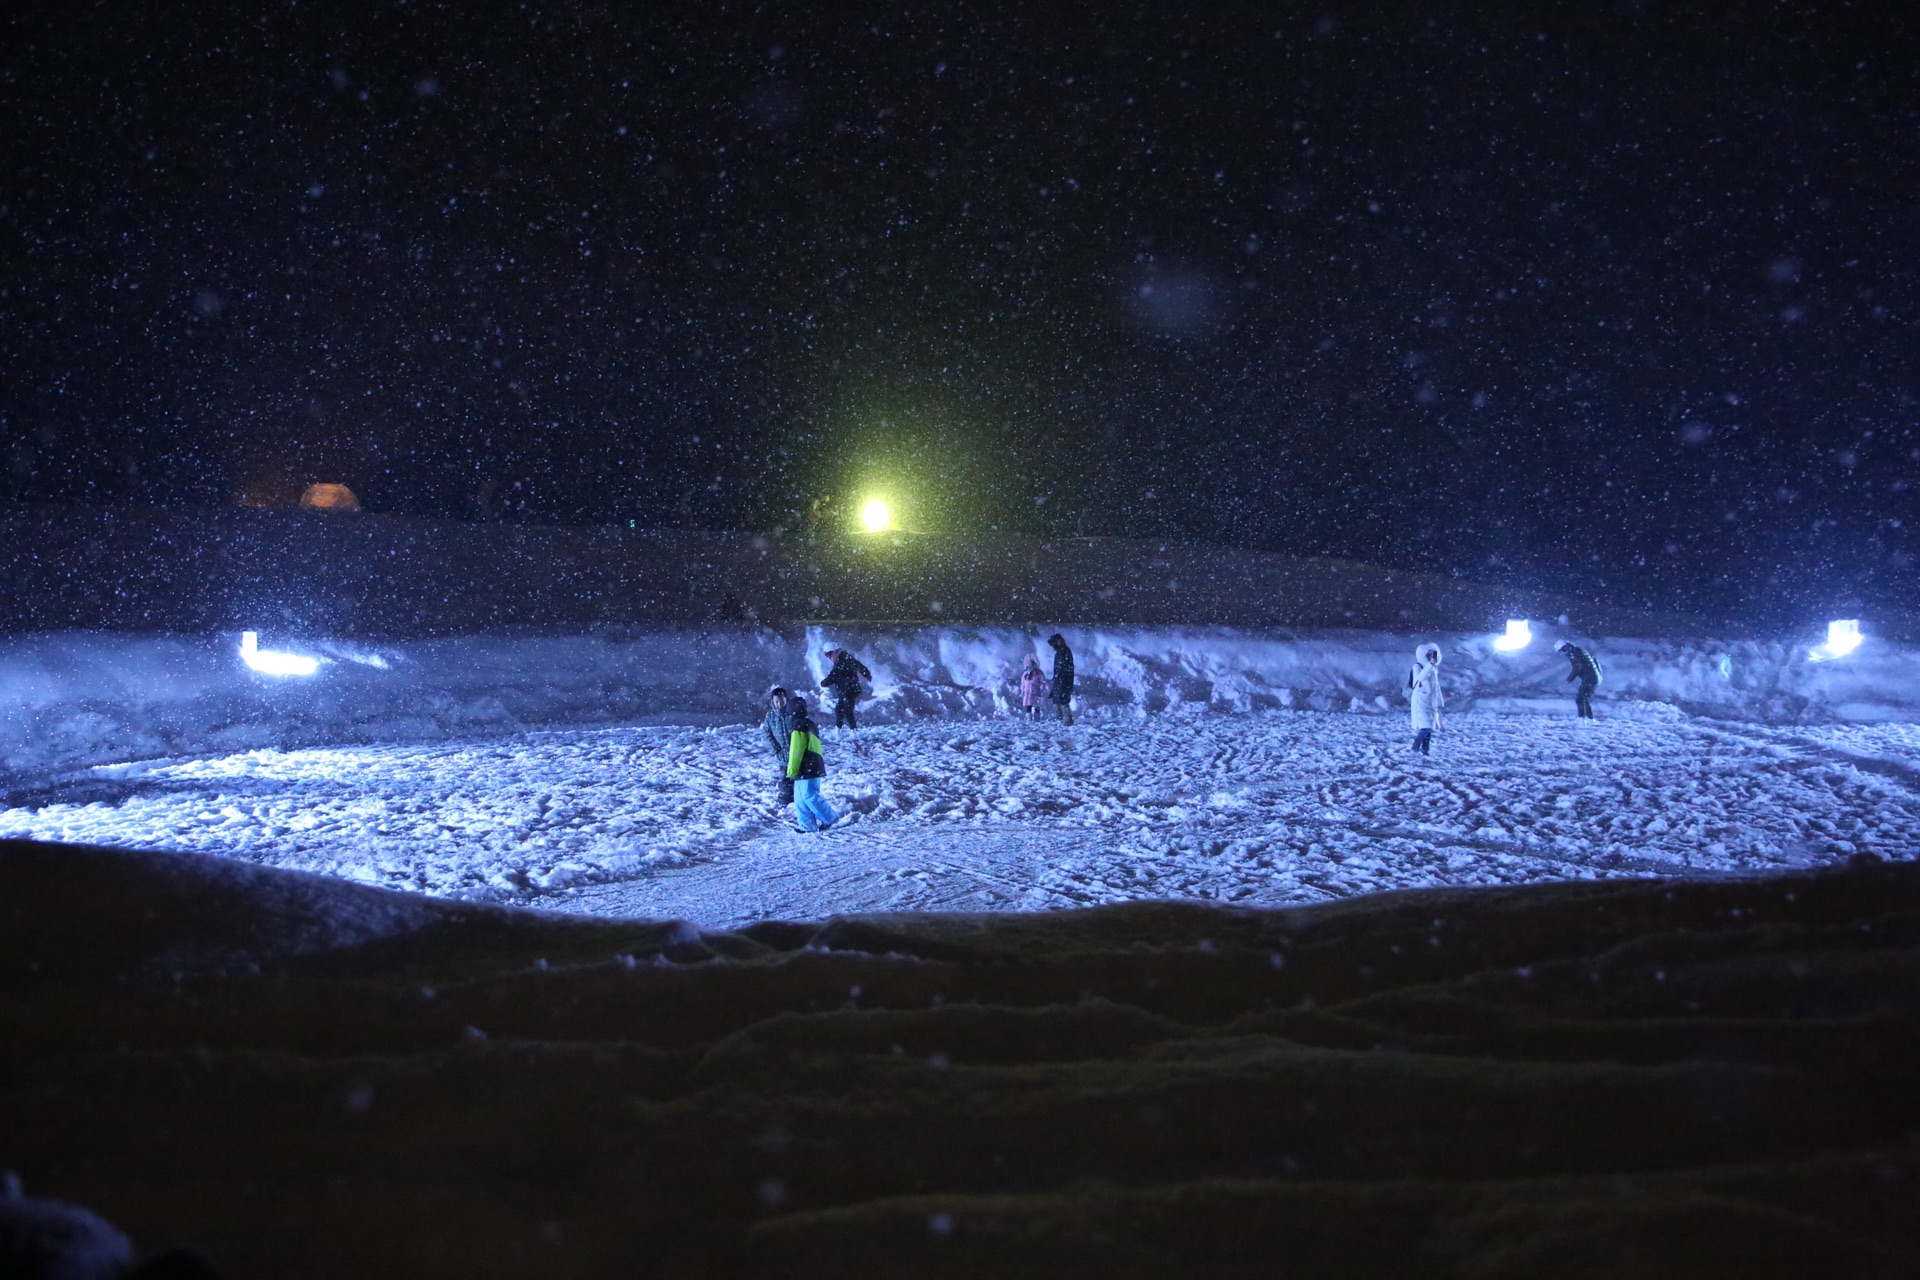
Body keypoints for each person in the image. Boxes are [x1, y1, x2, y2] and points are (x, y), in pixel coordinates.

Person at [785, 693, 839, 833]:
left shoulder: (798, 726)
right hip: (812, 766)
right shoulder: (808, 723)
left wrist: (791, 770)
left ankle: (829, 817)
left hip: (807, 767)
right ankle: (807, 826)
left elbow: (796, 751)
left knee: (808, 796)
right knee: (801, 798)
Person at [821, 647, 872, 731]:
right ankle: (842, 730)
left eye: (828, 655)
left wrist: (823, 683)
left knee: (845, 711)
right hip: (852, 689)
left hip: (846, 690)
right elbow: (858, 665)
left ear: (832, 653)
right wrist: (867, 674)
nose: (829, 658)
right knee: (843, 710)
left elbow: (832, 677)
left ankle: (847, 731)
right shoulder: (848, 658)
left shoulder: (839, 664)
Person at [761, 686, 797, 806]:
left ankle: (798, 799)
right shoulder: (770, 716)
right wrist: (775, 749)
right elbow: (767, 733)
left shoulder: (792, 714)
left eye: (781, 701)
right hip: (781, 754)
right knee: (784, 779)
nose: (779, 704)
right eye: (776, 701)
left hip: (796, 753)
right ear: (772, 701)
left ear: (786, 700)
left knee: (798, 778)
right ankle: (784, 801)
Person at [1408, 643, 1444, 755]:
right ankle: (1415, 746)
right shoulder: (1417, 666)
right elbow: (1420, 677)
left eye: (1433, 654)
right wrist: (1430, 665)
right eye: (1428, 654)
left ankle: (1425, 749)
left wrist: (1439, 702)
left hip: (1431, 701)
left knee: (1429, 728)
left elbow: (1436, 687)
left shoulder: (1433, 669)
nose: (1431, 656)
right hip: (1421, 701)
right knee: (1426, 727)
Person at [1554, 640, 1602, 720]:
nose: (1561, 654)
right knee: (1583, 698)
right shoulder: (1577, 651)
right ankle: (1586, 718)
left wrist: (1568, 680)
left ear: (1564, 648)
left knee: (1581, 699)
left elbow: (1577, 668)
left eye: (1561, 652)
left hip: (1590, 678)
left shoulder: (1575, 653)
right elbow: (1593, 661)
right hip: (1593, 678)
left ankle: (1586, 718)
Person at [1046, 633, 1075, 726]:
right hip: (1059, 679)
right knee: (1057, 700)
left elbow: (1066, 669)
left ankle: (1067, 719)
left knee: (1063, 700)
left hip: (1063, 680)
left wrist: (1063, 680)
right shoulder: (1060, 652)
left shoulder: (1064, 651)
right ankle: (1060, 719)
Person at [1018, 655, 1050, 721]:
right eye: (1028, 664)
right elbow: (1023, 683)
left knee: (1036, 705)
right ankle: (1028, 718)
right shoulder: (1025, 673)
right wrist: (1023, 690)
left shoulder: (1038, 673)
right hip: (1027, 693)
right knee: (1028, 705)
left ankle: (1037, 717)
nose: (1029, 665)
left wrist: (1041, 689)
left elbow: (1043, 682)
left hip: (1036, 692)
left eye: (1031, 663)